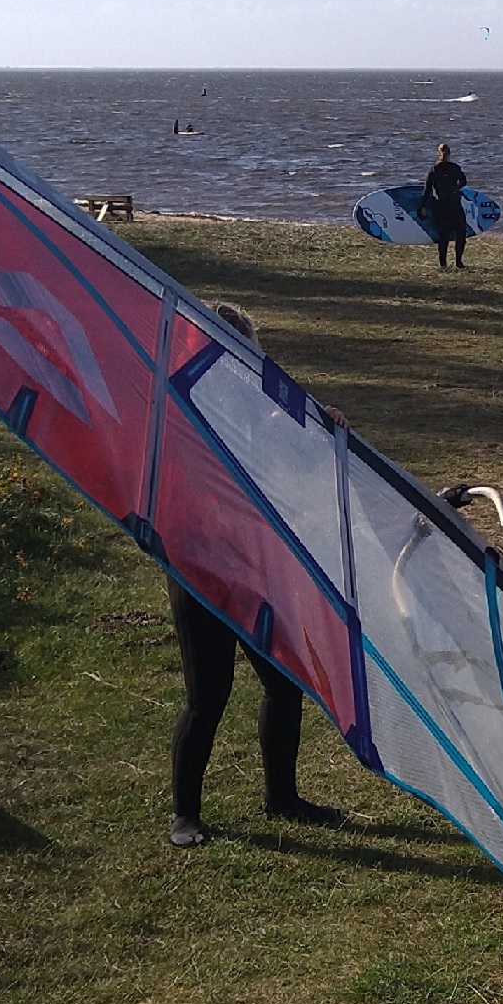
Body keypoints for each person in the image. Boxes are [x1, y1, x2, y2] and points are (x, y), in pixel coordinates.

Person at [168, 300, 346, 848]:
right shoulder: (182, 407)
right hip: (198, 570)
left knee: (283, 684)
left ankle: (282, 798)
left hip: (253, 567)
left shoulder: (260, 408)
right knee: (208, 695)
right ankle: (185, 815)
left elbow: (293, 464)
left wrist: (326, 429)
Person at [417, 142, 470, 270]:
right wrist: (456, 188)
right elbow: (464, 181)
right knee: (459, 234)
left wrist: (422, 206)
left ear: (438, 154)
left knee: (445, 235)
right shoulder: (453, 168)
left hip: (442, 204)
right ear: (449, 154)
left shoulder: (435, 169)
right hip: (453, 204)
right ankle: (457, 262)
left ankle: (445, 264)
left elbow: (427, 190)